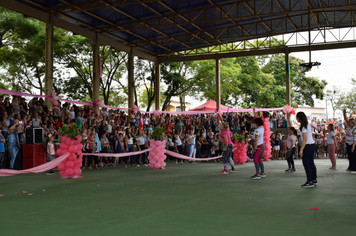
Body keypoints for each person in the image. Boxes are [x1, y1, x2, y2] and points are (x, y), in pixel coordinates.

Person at [297, 111, 317, 187]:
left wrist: (301, 149)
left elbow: (304, 139)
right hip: (312, 144)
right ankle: (314, 180)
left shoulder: (304, 126)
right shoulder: (307, 124)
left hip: (307, 146)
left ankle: (310, 181)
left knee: (306, 163)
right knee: (311, 163)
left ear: (299, 118)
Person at [343, 109, 356, 173]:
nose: (348, 124)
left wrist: (353, 146)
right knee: (350, 156)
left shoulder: (354, 129)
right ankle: (351, 166)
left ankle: (354, 168)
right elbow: (346, 119)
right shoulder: (349, 128)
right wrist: (344, 114)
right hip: (348, 143)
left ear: (353, 123)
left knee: (353, 156)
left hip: (353, 144)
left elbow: (355, 138)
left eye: (349, 123)